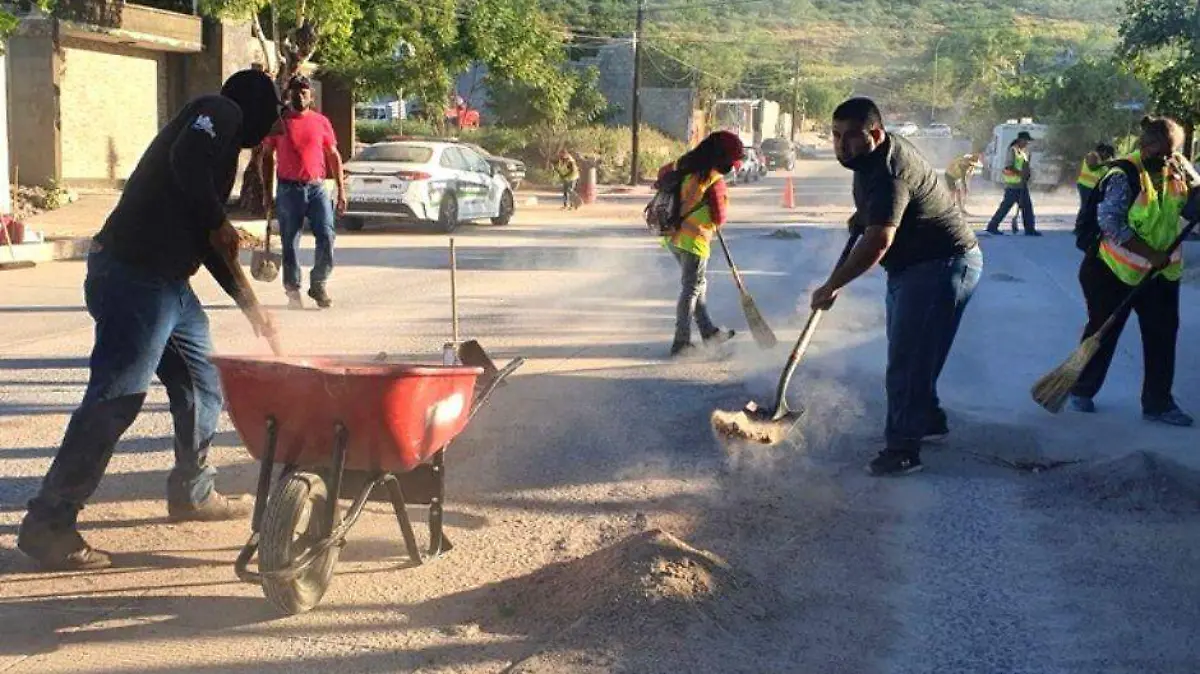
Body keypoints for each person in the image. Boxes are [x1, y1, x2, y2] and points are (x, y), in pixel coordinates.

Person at [17, 70, 282, 571]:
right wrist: (219, 222)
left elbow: (210, 243)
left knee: (203, 384)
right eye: (274, 123)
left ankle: (193, 492)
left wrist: (253, 309)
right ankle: (49, 523)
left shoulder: (219, 159)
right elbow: (188, 166)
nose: (273, 136)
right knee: (116, 400)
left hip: (169, 288)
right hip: (134, 278)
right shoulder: (219, 110)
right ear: (256, 108)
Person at [810, 98, 982, 476]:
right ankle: (928, 419)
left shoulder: (889, 171)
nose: (841, 146)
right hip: (917, 265)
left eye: (850, 138)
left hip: (940, 265)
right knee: (915, 351)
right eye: (835, 136)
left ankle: (903, 449)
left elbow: (878, 243)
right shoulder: (870, 158)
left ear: (874, 133)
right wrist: (865, 214)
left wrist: (832, 285)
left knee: (908, 359)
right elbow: (889, 209)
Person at [1067, 116, 1197, 427]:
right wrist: (1150, 253)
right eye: (1162, 152)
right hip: (1112, 270)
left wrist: (1197, 191)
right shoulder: (1124, 173)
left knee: (1162, 337)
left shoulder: (1178, 166)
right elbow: (1111, 223)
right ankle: (1082, 389)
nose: (1167, 159)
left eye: (1173, 152)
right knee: (1104, 331)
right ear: (1144, 145)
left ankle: (1158, 403)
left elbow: (1190, 207)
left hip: (1161, 275)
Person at [260, 75, 346, 310]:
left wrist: (341, 189)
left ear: (312, 96)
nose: (300, 95)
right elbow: (267, 158)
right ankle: (293, 290)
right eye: (296, 91)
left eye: (304, 92)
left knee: (327, 235)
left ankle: (318, 283)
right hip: (289, 189)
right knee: (290, 241)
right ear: (288, 94)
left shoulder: (321, 122)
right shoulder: (278, 123)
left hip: (317, 187)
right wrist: (267, 193)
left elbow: (333, 156)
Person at [659, 131, 744, 357]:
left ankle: (709, 333)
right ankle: (681, 342)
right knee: (691, 289)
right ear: (722, 157)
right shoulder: (713, 179)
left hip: (673, 236)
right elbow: (719, 217)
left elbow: (661, 176)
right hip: (694, 240)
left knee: (697, 285)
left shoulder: (682, 165)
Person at [985, 131, 1041, 236]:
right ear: (1021, 140)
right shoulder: (1012, 150)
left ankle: (1029, 229)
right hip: (1013, 185)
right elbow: (1009, 167)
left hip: (1021, 185)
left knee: (1027, 207)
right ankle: (992, 226)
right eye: (1026, 141)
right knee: (1006, 207)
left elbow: (1025, 166)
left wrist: (1027, 175)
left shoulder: (1023, 152)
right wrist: (1021, 174)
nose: (1027, 143)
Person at [1077, 143, 1116, 211]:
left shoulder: (1103, 161)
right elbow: (1092, 167)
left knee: (1092, 208)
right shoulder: (1092, 155)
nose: (1108, 157)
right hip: (1085, 185)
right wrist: (1104, 164)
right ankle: (1081, 221)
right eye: (1108, 155)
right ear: (1104, 152)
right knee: (1086, 206)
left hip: (1094, 188)